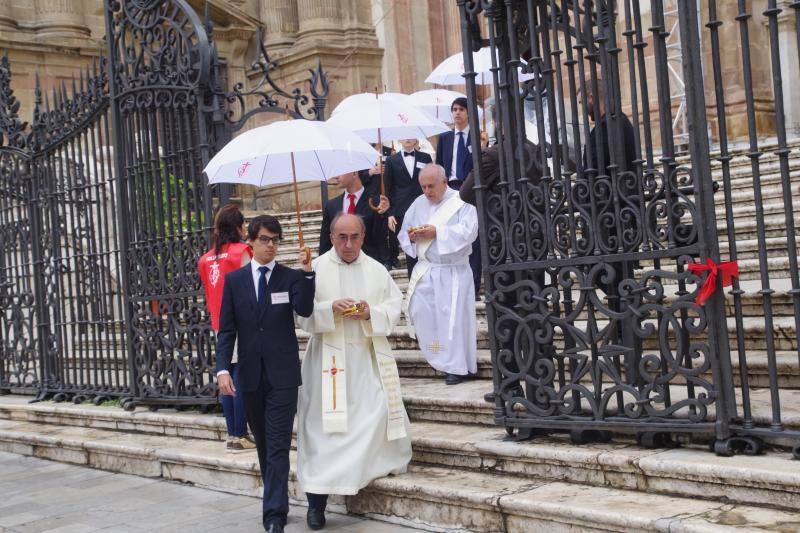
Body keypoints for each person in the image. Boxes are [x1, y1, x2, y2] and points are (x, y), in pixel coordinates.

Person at [297, 213, 412, 531]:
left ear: (363, 236)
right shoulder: (315, 269)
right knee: (322, 433)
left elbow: (393, 308)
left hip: (364, 362)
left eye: (355, 237)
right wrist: (328, 309)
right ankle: (316, 505)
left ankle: (362, 473)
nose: (348, 244)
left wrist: (368, 313)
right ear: (331, 237)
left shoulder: (376, 270)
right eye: (341, 237)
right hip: (327, 365)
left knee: (374, 414)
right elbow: (302, 317)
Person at [215, 215, 315, 533]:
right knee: (263, 445)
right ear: (252, 242)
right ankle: (276, 498)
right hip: (251, 375)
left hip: (283, 376)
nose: (271, 246)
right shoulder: (235, 281)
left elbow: (306, 310)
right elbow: (226, 330)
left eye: (275, 240)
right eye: (265, 240)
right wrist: (221, 369)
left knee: (277, 445)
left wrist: (308, 273)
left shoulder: (290, 277)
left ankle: (274, 514)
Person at [398, 164, 479, 386]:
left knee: (452, 320)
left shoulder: (462, 201)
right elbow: (404, 232)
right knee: (422, 314)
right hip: (426, 269)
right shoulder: (418, 203)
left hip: (452, 270)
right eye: (423, 186)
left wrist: (437, 232)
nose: (426, 191)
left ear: (444, 182)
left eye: (431, 186)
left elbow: (469, 231)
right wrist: (412, 237)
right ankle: (438, 356)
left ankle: (456, 366)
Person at [197, 204, 256, 453]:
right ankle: (240, 433)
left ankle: (232, 432)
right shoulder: (242, 252)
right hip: (240, 321)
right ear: (237, 227)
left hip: (218, 323)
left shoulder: (205, 259)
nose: (244, 230)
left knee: (226, 375)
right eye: (242, 225)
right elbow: (251, 286)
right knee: (241, 375)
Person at [436, 97, 483, 295]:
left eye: (461, 109)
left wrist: (483, 145)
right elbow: (438, 164)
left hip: (471, 188)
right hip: (450, 188)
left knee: (472, 235)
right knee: (450, 234)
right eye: (454, 109)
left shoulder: (478, 136)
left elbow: (481, 164)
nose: (457, 113)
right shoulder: (445, 138)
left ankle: (474, 281)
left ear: (469, 113)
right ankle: (453, 283)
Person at [384, 138, 432, 276]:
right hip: (401, 209)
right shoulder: (391, 161)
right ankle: (413, 278)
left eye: (410, 135)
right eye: (404, 135)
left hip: (423, 206)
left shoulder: (425, 157)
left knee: (426, 244)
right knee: (409, 246)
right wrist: (390, 213)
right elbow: (388, 188)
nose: (408, 139)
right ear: (399, 139)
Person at [319, 170, 389, 263]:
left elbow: (380, 239)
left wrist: (383, 213)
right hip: (338, 266)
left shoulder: (376, 203)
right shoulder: (331, 205)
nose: (336, 177)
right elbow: (325, 242)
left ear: (354, 173)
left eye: (340, 171)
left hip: (367, 265)